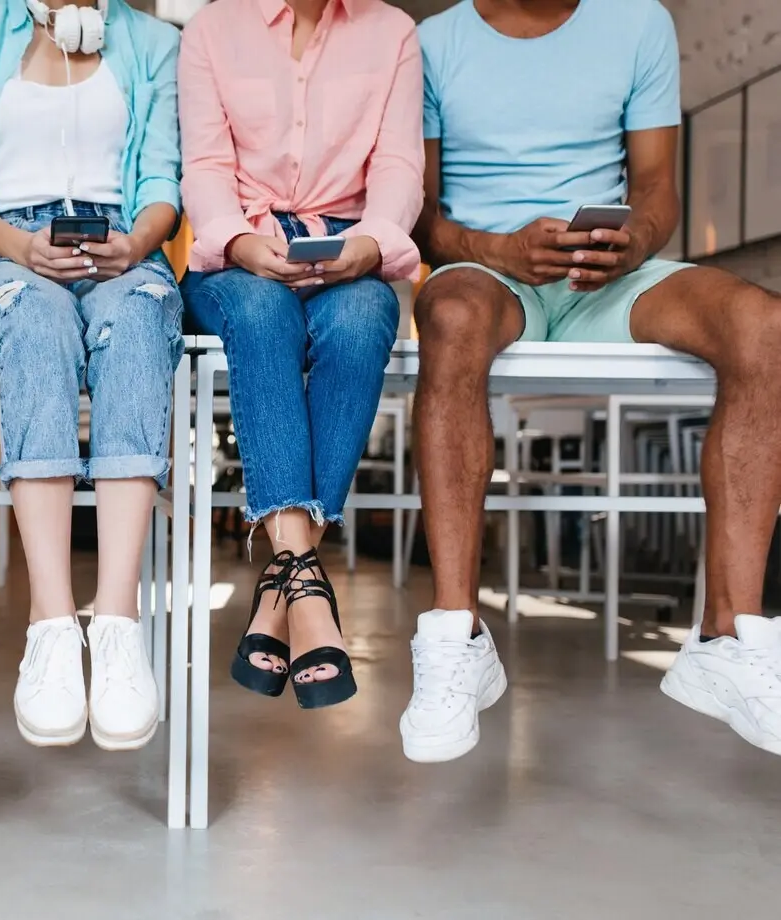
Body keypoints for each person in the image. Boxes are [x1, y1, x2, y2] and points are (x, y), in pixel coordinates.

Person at [405, 0, 781, 763]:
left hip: (610, 281)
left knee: (765, 326)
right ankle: (456, 636)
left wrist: (631, 238)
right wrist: (498, 248)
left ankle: (728, 639)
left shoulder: (639, 24)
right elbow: (421, 217)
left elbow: (656, 187)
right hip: (488, 275)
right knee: (447, 316)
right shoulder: (431, 42)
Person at [0, 0, 181, 750]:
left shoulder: (153, 42)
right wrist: (20, 246)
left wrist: (136, 243)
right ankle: (49, 625)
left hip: (122, 243)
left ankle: (115, 624)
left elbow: (163, 178)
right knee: (37, 324)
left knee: (139, 315)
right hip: (11, 246)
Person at [178, 0, 422, 710]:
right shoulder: (212, 29)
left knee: (366, 318)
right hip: (240, 248)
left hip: (348, 244)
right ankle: (308, 586)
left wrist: (370, 246)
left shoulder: (394, 32)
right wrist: (241, 243)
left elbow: (402, 164)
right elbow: (205, 164)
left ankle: (283, 585)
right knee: (260, 310)